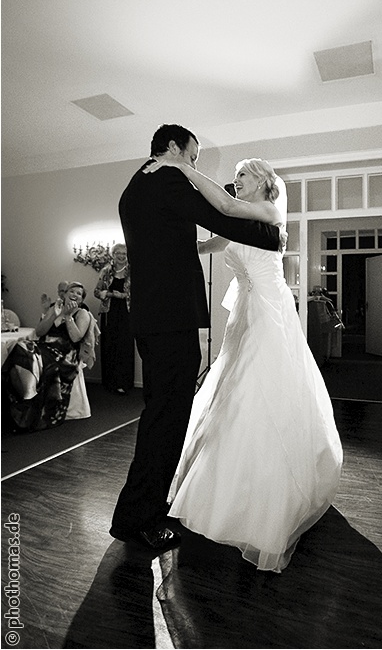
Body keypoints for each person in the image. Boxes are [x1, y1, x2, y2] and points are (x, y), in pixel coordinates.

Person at [142, 156, 343, 572]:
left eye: (243, 175)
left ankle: (270, 498)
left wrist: (182, 168)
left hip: (269, 312)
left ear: (264, 181)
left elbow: (229, 208)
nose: (236, 182)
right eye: (234, 177)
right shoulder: (233, 222)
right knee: (232, 388)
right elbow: (205, 244)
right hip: (245, 312)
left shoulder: (267, 211)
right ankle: (220, 490)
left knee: (262, 385)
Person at [109, 124, 282, 553]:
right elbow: (220, 213)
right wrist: (271, 231)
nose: (194, 165)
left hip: (151, 319)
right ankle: (140, 520)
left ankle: (138, 510)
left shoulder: (133, 188)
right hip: (170, 321)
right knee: (166, 422)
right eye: (194, 156)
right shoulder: (167, 177)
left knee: (159, 416)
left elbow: (188, 238)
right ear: (173, 149)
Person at [8, 282, 97, 431]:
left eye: (78, 294)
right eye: (72, 291)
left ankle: (32, 407)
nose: (74, 294)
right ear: (65, 294)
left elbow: (76, 338)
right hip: (45, 346)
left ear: (81, 300)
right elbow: (40, 332)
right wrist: (53, 315)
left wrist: (68, 317)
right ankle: (27, 396)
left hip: (65, 353)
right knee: (21, 346)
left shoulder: (82, 314)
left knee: (32, 355)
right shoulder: (55, 308)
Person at [93, 243, 134, 395]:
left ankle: (124, 383)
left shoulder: (132, 271)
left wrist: (121, 296)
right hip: (109, 312)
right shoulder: (106, 271)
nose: (121, 256)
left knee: (124, 346)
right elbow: (96, 292)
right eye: (118, 253)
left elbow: (138, 294)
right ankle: (109, 383)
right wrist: (109, 294)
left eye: (124, 253)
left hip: (126, 313)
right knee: (109, 345)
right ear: (113, 254)